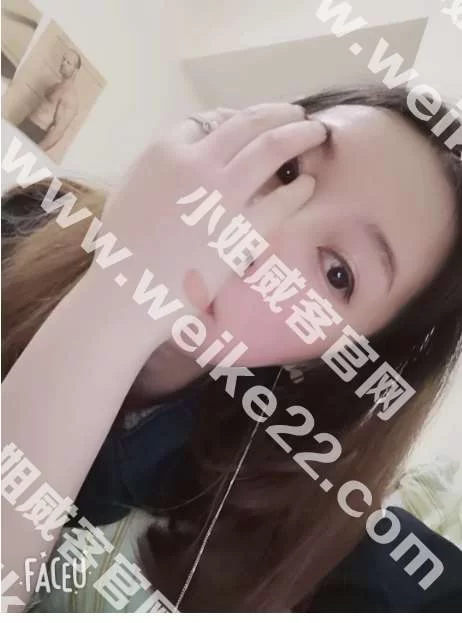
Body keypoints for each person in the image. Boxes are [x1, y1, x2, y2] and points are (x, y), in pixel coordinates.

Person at [2, 85, 462, 612]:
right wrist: (117, 286)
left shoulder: (267, 499)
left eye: (338, 273)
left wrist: (124, 298)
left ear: (333, 357)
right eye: (287, 171)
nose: (256, 236)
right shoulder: (33, 217)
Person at [16, 48, 80, 151]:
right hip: (26, 125)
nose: (63, 63)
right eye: (63, 59)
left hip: (35, 133)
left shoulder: (70, 97)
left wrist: (37, 151)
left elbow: (58, 132)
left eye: (68, 63)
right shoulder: (56, 86)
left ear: (75, 71)